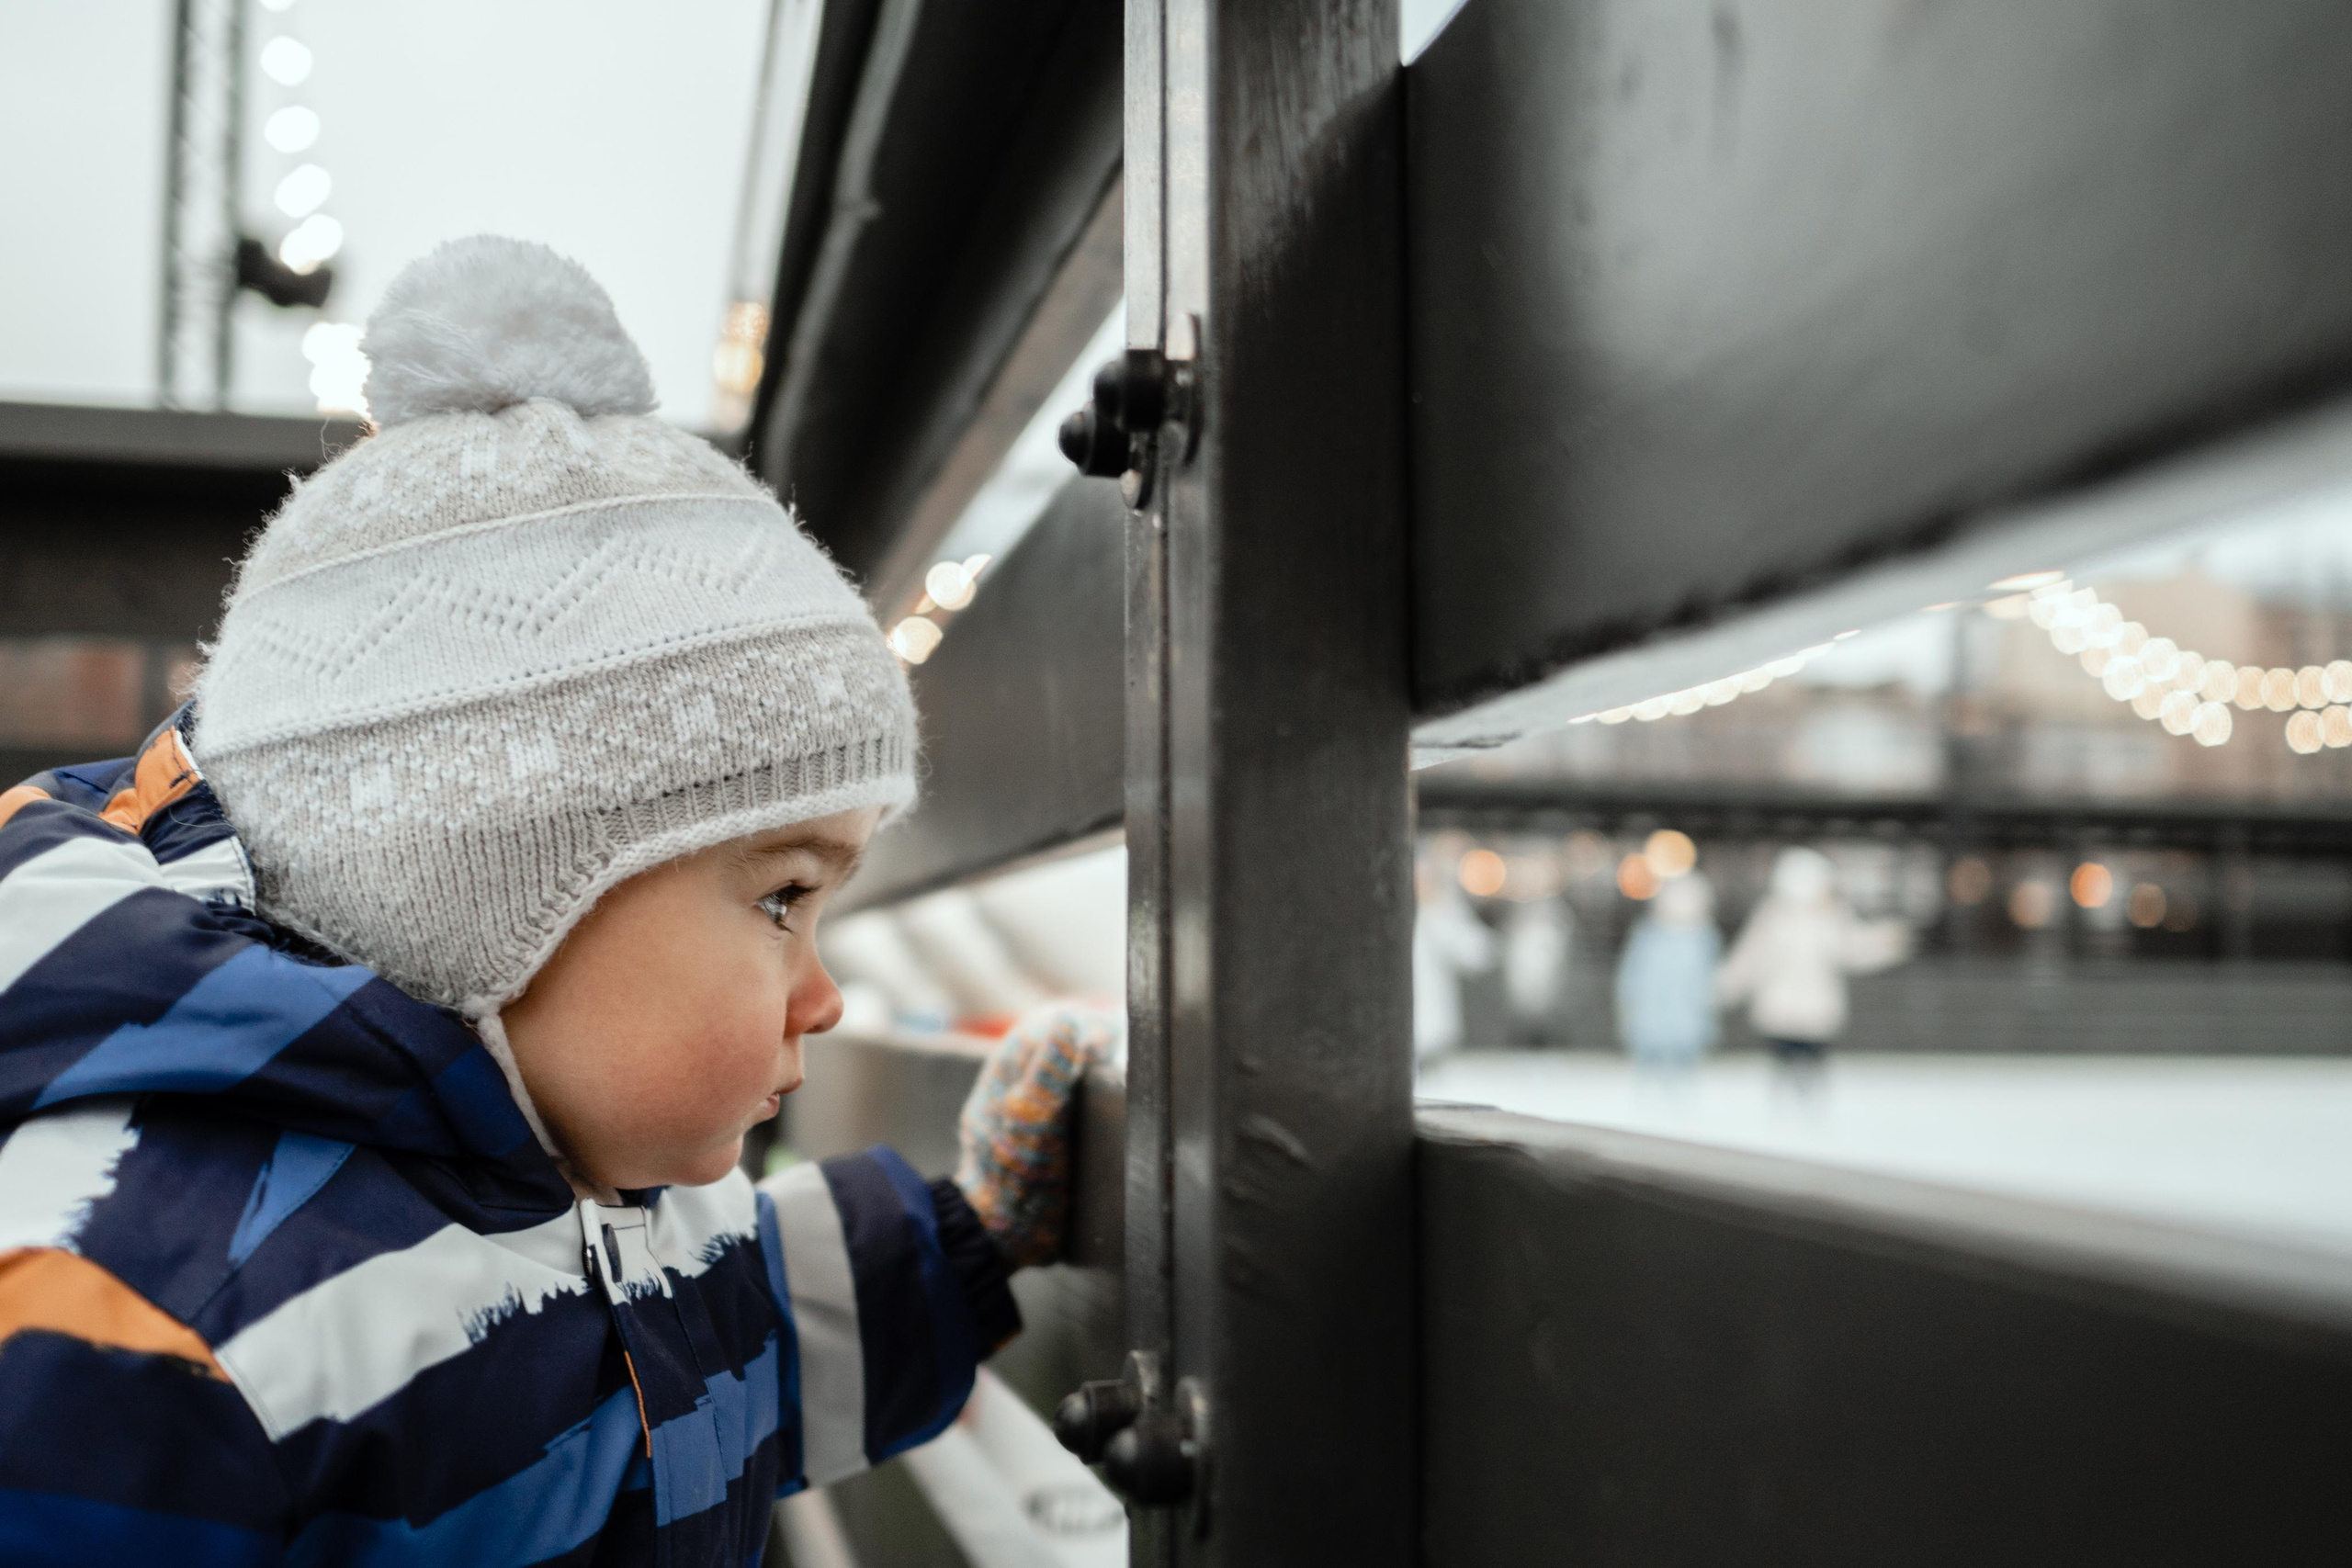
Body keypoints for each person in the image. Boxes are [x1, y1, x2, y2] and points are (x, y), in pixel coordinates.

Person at [0, 237, 1106, 1564]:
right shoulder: (143, 1336)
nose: (827, 992)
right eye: (781, 899)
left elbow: (702, 1363)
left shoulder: (578, 1170)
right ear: (482, 894)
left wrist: (968, 1235)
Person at [1715, 846, 1909, 1091]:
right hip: (1782, 1011)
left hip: (1813, 1012)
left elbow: (1852, 948)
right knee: (1788, 1070)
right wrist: (1725, 986)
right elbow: (1750, 958)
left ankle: (1806, 1113)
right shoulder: (1774, 917)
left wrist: (1885, 942)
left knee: (1810, 1071)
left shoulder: (1828, 916)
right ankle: (1790, 1113)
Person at [1612, 872, 1721, 1077]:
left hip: (1689, 1021)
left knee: (1684, 1069)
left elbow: (1711, 982)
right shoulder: (1648, 936)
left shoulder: (1704, 938)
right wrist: (1630, 1011)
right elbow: (1631, 978)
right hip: (1651, 1020)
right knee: (1651, 1070)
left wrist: (1710, 1007)